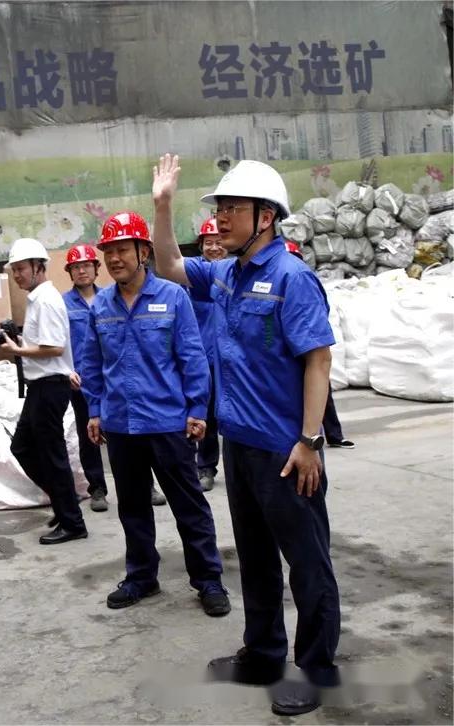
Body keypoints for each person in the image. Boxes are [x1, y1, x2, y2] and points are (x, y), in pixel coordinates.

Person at [151, 154, 340, 716]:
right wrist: (162, 205)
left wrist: (310, 442)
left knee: (307, 563)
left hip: (286, 450)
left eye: (233, 208)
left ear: (266, 216)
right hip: (240, 445)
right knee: (255, 559)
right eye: (221, 208)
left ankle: (317, 670)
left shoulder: (291, 278)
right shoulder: (227, 274)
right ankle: (263, 656)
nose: (221, 218)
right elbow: (169, 266)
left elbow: (319, 362)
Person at [78, 212, 230, 616]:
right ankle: (142, 577)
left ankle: (208, 579)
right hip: (120, 424)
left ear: (143, 251)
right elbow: (92, 362)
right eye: (109, 251)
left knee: (189, 506)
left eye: (122, 249)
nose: (114, 258)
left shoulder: (173, 296)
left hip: (167, 422)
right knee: (132, 509)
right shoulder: (101, 305)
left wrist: (197, 408)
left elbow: (192, 356)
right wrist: (94, 410)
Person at [1, 238, 87, 545]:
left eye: (21, 269)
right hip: (41, 386)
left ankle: (72, 522)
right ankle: (65, 504)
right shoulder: (37, 298)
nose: (17, 275)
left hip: (50, 386)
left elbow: (54, 348)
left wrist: (17, 350)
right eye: (14, 270)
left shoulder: (47, 300)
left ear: (38, 266)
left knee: (52, 455)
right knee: (22, 448)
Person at [285, 242, 354, 450]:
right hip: (287, 352)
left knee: (321, 389)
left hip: (308, 345)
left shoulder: (305, 282)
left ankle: (333, 435)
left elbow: (320, 311)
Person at [61, 244, 111, 512]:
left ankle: (144, 485)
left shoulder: (111, 299)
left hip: (112, 378)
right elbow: (59, 342)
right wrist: (67, 370)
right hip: (81, 381)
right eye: (76, 267)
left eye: (86, 266)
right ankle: (97, 488)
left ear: (96, 268)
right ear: (70, 272)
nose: (82, 271)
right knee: (88, 434)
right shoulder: (62, 304)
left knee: (127, 432)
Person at [191, 217, 226, 491]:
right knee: (205, 416)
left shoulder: (235, 273)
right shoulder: (192, 277)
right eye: (208, 243)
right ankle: (205, 467)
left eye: (218, 242)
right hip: (202, 357)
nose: (214, 248)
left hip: (231, 359)